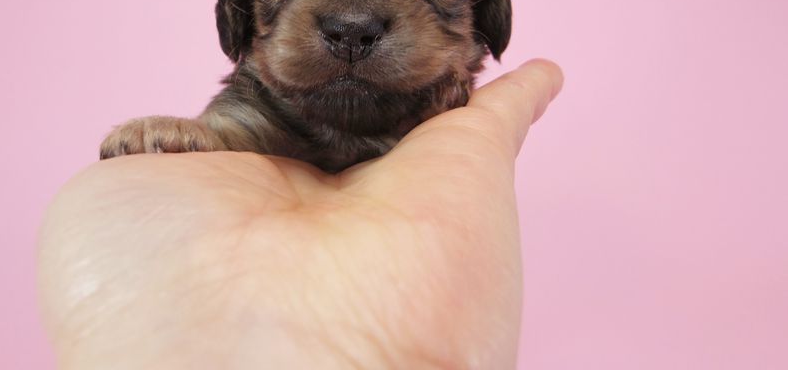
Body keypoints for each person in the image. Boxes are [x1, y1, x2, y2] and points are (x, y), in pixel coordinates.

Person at [37, 59, 563, 369]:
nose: (354, 18)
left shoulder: (445, 148)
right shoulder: (242, 123)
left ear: (487, 7)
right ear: (239, 8)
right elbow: (225, 134)